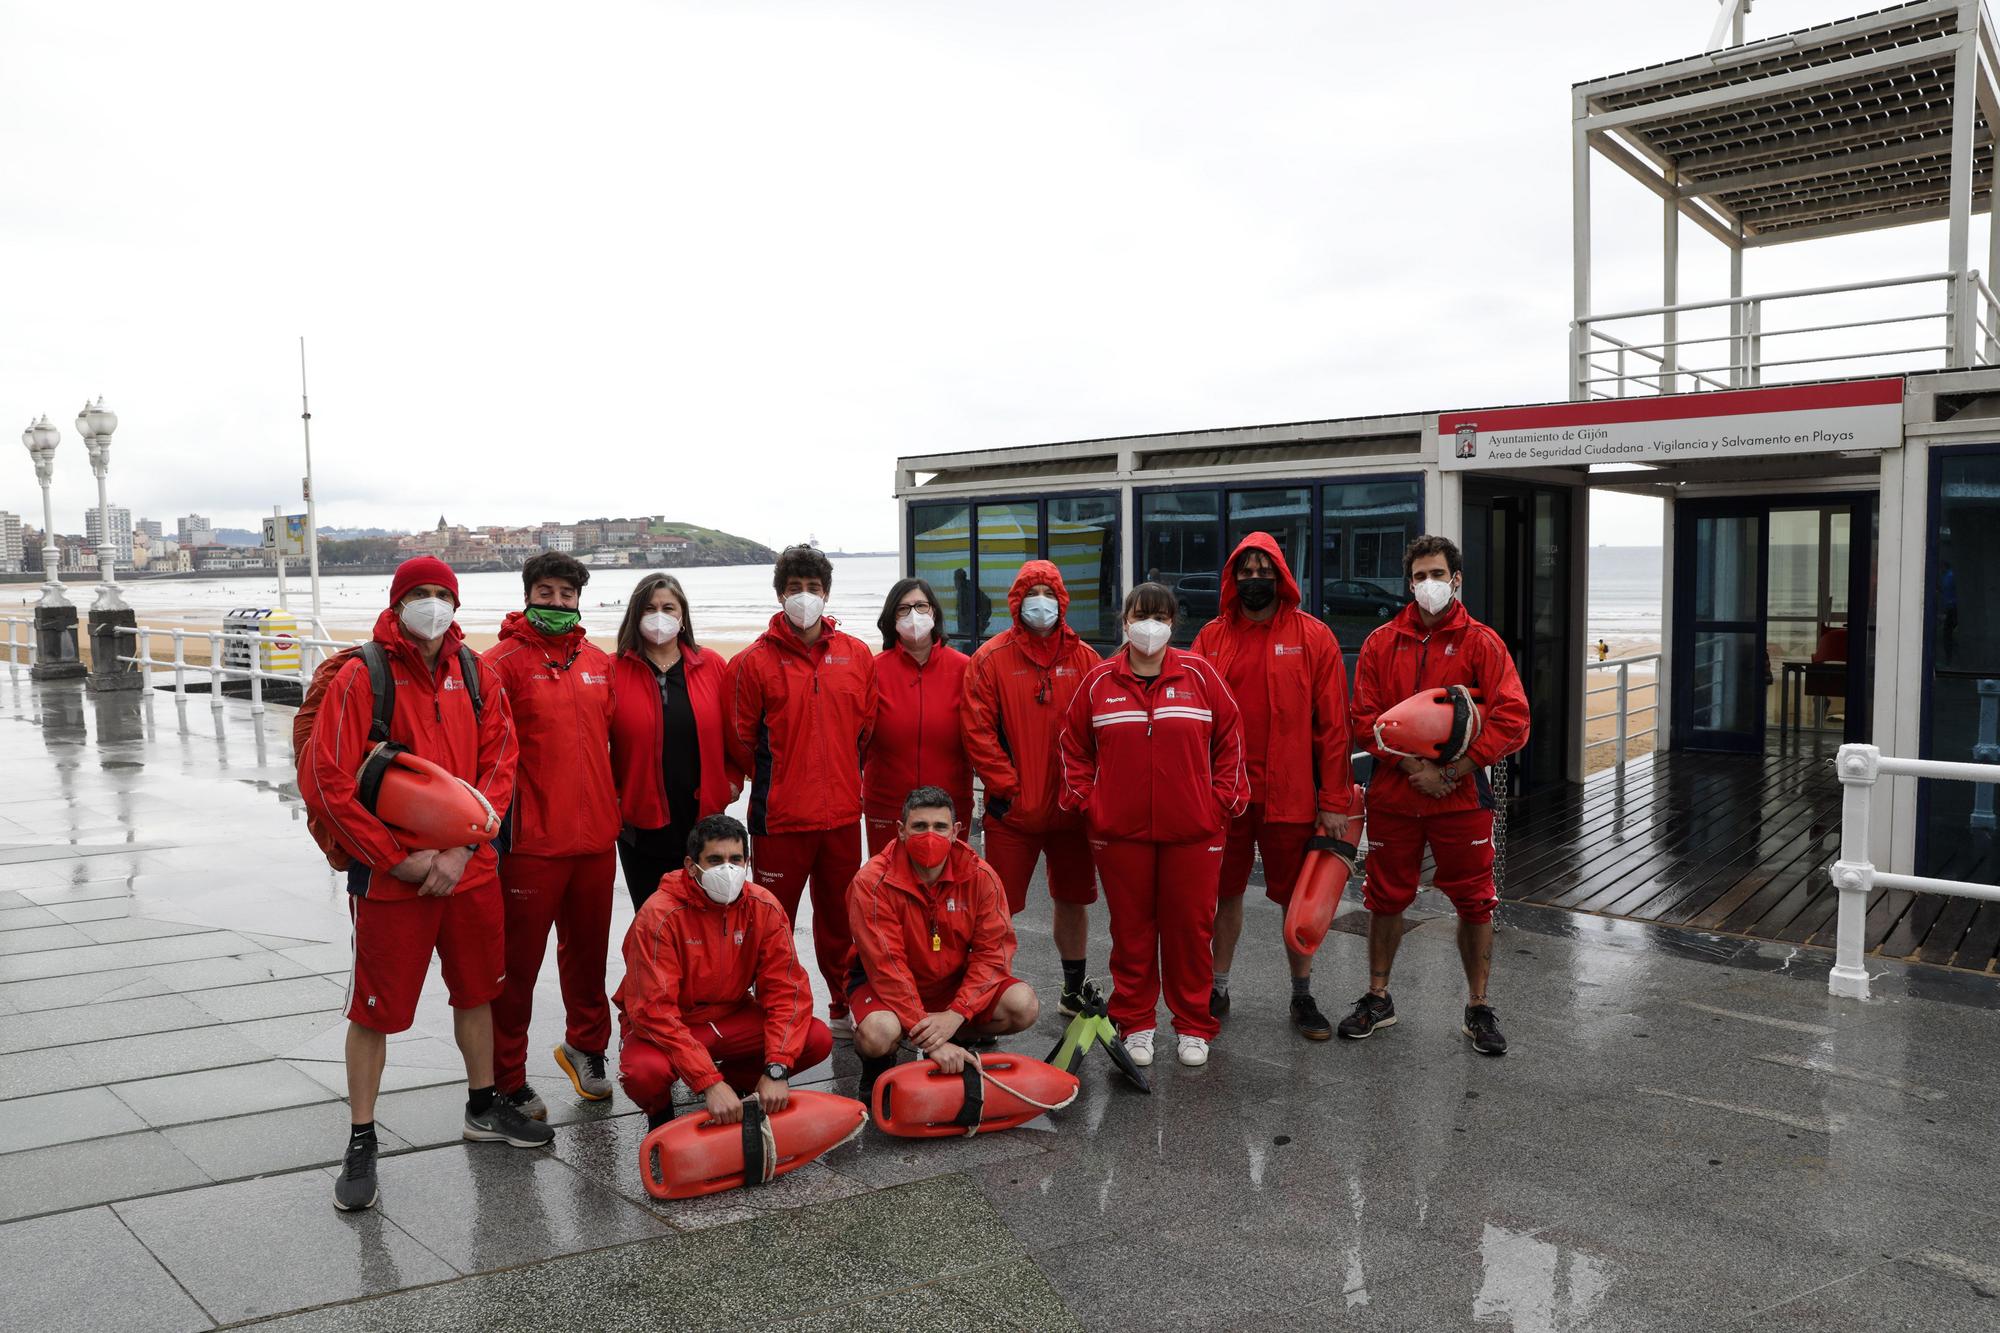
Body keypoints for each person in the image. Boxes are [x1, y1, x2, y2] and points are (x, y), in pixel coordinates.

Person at [301, 555, 550, 1214]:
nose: (433, 604)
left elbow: (501, 763)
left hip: (468, 871)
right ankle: (361, 1138)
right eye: (422, 594)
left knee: (478, 991)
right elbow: (330, 779)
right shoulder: (364, 675)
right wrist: (398, 859)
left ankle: (481, 1105)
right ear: (398, 600)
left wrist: (462, 849)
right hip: (392, 880)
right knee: (373, 1010)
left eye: (444, 593)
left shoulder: (477, 673)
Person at [1344, 534, 1530, 1055]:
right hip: (1395, 795)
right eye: (1420, 576)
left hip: (1461, 797)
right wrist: (1408, 764)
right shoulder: (1382, 642)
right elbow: (1364, 718)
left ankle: (1478, 1007)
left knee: (1474, 902)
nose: (1429, 584)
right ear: (1409, 583)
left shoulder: (1482, 643)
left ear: (1457, 580)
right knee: (1384, 897)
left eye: (1438, 574)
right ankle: (1378, 997)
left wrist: (1455, 770)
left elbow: (1513, 717)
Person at [1060, 583, 1246, 1069]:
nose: (1151, 625)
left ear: (1173, 624)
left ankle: (1192, 1025)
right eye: (1142, 615)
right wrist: (1088, 801)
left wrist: (1220, 801)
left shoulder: (1201, 676)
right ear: (1125, 621)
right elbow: (1072, 745)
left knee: (1190, 929)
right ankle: (1137, 1023)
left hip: (1194, 832)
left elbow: (1231, 738)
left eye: (1161, 617)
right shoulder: (1099, 682)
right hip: (1119, 834)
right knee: (1132, 931)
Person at [1191, 534, 1359, 1039]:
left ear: (1282, 575)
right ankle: (1217, 988)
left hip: (1291, 797)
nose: (1255, 579)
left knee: (1297, 902)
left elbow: (1334, 727)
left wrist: (1333, 801)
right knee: (1223, 896)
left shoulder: (1314, 637)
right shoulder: (1211, 638)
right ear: (1232, 577)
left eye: (1265, 570)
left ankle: (1302, 995)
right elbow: (1194, 720)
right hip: (1227, 799)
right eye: (1246, 570)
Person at [481, 552, 619, 1120]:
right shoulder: (498, 664)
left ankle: (586, 1048)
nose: (557, 603)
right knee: (516, 968)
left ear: (579, 599)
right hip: (531, 844)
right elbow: (485, 754)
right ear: (527, 594)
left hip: (596, 843)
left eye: (566, 594)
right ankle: (506, 1080)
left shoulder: (599, 662)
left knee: (589, 959)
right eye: (546, 592)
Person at [726, 544, 878, 1033]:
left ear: (827, 594)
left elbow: (866, 730)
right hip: (779, 819)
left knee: (841, 924)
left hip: (839, 819)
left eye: (813, 589)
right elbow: (741, 737)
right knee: (772, 926)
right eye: (795, 589)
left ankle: (842, 1006)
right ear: (779, 594)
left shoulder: (855, 655)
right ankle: (772, 1013)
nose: (805, 597)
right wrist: (783, 778)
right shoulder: (754, 662)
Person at [614, 813, 833, 1129]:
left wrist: (776, 1069)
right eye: (715, 860)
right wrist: (707, 1082)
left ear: (747, 862)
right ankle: (660, 1114)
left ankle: (741, 1085)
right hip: (677, 1022)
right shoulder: (658, 915)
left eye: (735, 859)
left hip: (733, 1017)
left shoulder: (763, 906)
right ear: (691, 866)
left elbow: (788, 990)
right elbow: (654, 1011)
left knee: (815, 1038)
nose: (727, 869)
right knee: (643, 1073)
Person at [960, 560, 1102, 1013]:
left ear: (1062, 600)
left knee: (1074, 900)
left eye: (1048, 592)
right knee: (997, 911)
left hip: (1072, 811)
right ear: (1015, 601)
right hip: (1013, 813)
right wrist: (1010, 787)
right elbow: (977, 731)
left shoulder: (1086, 660)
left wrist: (1086, 791)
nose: (1039, 602)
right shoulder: (990, 659)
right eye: (1030, 592)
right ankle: (988, 991)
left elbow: (1101, 730)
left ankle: (1073, 988)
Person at [847, 786, 1039, 1096]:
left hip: (952, 985)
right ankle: (878, 1068)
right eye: (919, 826)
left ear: (956, 831)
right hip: (884, 988)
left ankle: (957, 1039)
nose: (930, 835)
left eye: (940, 827)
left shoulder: (980, 876)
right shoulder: (871, 882)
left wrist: (957, 1014)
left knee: (1023, 1005)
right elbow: (887, 967)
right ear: (901, 830)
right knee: (879, 1033)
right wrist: (932, 1039)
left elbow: (993, 954)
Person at [609, 573, 737, 911]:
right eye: (649, 608)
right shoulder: (612, 670)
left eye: (669, 607)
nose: (659, 615)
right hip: (640, 825)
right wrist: (615, 797)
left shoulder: (712, 666)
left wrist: (733, 780)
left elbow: (737, 733)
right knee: (654, 920)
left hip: (703, 820)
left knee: (707, 920)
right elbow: (596, 743)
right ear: (635, 616)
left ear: (682, 617)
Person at [864, 578, 972, 857]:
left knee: (950, 889)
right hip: (887, 805)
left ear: (934, 612)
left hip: (949, 806)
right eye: (903, 609)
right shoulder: (872, 670)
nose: (914, 615)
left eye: (921, 606)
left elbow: (981, 736)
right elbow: (856, 740)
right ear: (891, 617)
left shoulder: (965, 669)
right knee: (889, 887)